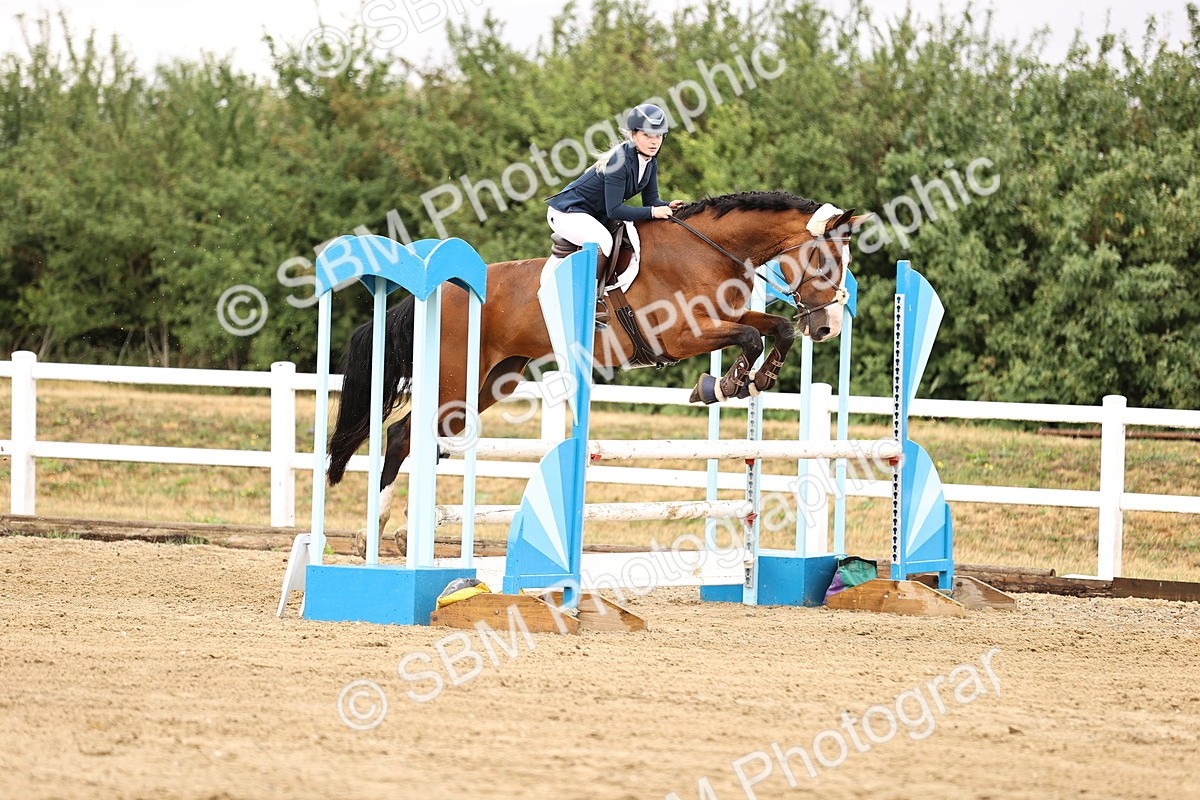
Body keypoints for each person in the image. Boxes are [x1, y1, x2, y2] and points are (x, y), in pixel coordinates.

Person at [543, 103, 686, 325]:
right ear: (633, 135)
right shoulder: (619, 162)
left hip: (592, 215)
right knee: (603, 241)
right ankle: (589, 301)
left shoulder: (650, 163)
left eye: (658, 136)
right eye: (647, 135)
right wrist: (654, 212)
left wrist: (668, 206)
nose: (654, 141)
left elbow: (651, 202)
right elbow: (615, 210)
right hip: (566, 212)